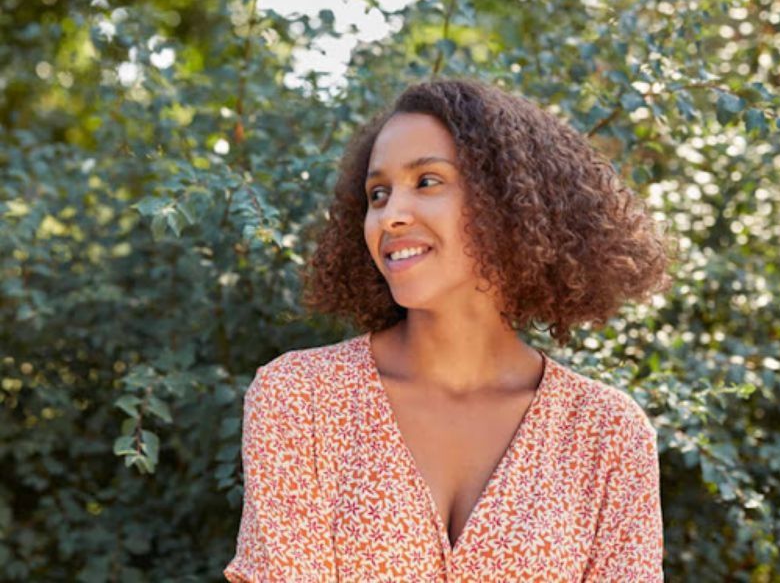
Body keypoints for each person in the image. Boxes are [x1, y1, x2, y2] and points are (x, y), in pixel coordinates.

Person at [224, 77, 675, 582]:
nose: (391, 215)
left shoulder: (606, 434)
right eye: (378, 193)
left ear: (506, 204)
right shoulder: (299, 399)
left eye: (427, 181)